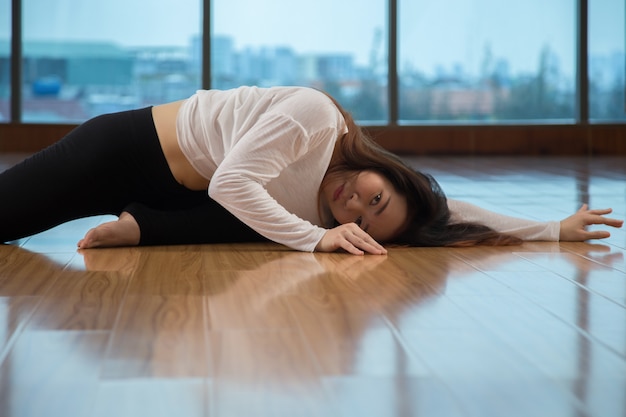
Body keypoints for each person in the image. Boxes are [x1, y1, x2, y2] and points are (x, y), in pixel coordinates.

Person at [0, 86, 622, 255]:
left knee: (267, 225)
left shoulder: (334, 204)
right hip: (126, 149)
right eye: (374, 200)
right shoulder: (317, 117)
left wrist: (550, 230)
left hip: (173, 191)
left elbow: (447, 211)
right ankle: (142, 225)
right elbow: (229, 184)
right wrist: (320, 239)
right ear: (390, 172)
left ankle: (143, 226)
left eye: (363, 222)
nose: (354, 207)